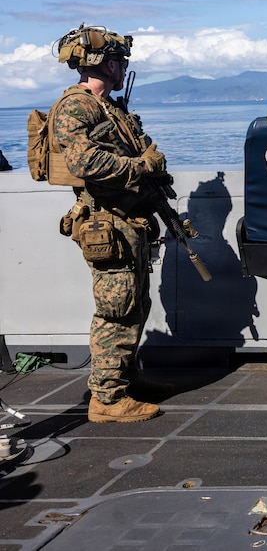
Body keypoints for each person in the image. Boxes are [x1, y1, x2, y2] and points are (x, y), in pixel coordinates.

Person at [50, 25, 167, 423]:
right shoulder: (75, 107)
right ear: (106, 63)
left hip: (128, 221)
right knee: (115, 309)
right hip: (106, 223)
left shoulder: (109, 108)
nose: (123, 68)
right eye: (119, 61)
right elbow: (84, 163)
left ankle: (125, 381)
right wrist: (140, 165)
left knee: (135, 304)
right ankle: (106, 398)